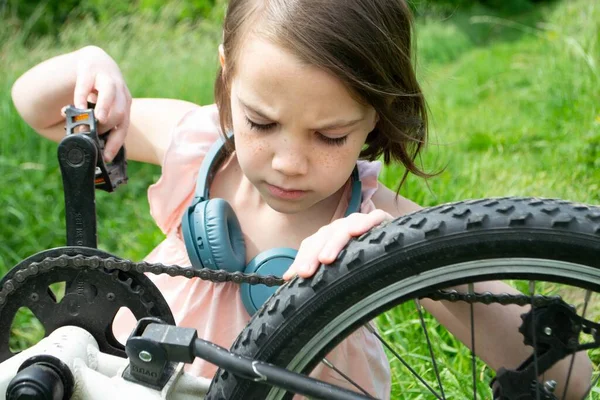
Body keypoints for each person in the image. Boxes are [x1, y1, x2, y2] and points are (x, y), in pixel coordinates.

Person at [11, 0, 592, 398]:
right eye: (260, 122)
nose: (288, 161)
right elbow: (35, 110)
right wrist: (86, 65)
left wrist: (390, 254)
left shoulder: (376, 223)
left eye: (330, 136)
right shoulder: (198, 148)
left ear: (376, 116)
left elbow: (567, 378)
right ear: (227, 72)